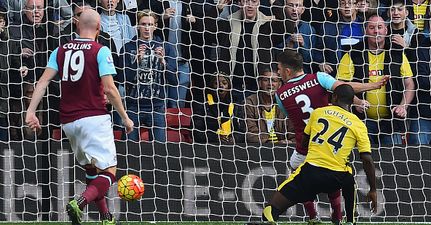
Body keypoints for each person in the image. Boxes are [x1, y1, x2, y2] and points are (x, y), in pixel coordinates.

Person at [25, 9, 134, 225]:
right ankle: (79, 202)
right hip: (94, 117)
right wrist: (124, 116)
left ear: (76, 26)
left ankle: (106, 217)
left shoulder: (60, 50)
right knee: (109, 172)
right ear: (99, 28)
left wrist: (31, 111)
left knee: (92, 169)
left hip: (68, 122)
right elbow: (110, 89)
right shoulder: (100, 50)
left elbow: (44, 81)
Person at [274, 50, 387, 224]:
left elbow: (290, 115)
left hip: (305, 147)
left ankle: (312, 216)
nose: (278, 73)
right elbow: (344, 89)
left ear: (288, 71)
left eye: (279, 69)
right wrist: (371, 87)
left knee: (298, 176)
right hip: (328, 146)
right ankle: (338, 217)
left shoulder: (280, 94)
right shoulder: (319, 78)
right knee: (335, 181)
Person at [262, 84, 378, 225]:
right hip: (336, 179)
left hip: (310, 173)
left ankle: (274, 219)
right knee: (349, 177)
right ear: (351, 101)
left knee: (270, 210)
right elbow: (367, 159)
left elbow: (304, 142)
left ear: (334, 97)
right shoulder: (358, 125)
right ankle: (349, 221)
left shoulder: (318, 113)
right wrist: (372, 189)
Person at [337, 13, 415, 145]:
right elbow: (340, 85)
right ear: (366, 30)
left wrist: (403, 106)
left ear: (386, 30)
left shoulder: (397, 53)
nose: (376, 31)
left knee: (394, 160)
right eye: (372, 27)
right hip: (362, 121)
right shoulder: (353, 53)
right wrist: (355, 101)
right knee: (365, 158)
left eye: (379, 27)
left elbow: (409, 84)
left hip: (392, 121)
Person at [118, 10, 167, 142]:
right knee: (130, 150)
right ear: (137, 26)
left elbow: (174, 80)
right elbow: (122, 79)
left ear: (155, 26)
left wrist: (163, 62)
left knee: (161, 151)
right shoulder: (127, 48)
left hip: (157, 106)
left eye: (150, 24)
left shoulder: (166, 47)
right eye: (143, 24)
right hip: (133, 106)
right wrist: (136, 63)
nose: (146, 28)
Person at [245, 66, 294, 144]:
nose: (270, 84)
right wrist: (268, 143)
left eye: (274, 80)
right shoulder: (250, 102)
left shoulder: (285, 102)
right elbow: (250, 132)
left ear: (280, 84)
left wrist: (290, 142)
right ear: (259, 83)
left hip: (283, 148)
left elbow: (293, 131)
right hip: (259, 148)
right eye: (266, 80)